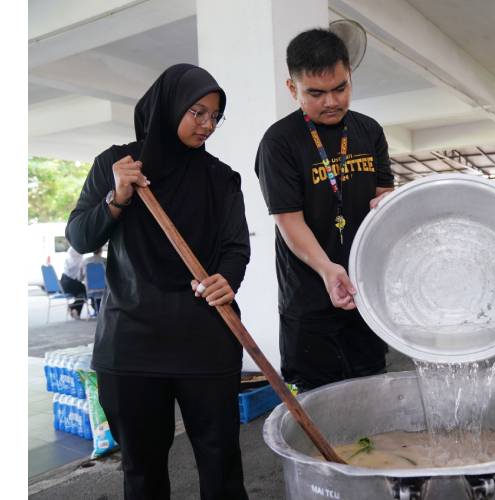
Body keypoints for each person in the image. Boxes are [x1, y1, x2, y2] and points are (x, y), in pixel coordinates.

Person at [66, 63, 250, 500]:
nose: (207, 124)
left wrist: (228, 279)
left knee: (221, 467)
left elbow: (235, 247)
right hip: (132, 344)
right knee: (143, 474)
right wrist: (116, 199)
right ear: (169, 106)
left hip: (205, 339)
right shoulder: (117, 165)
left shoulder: (221, 179)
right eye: (197, 112)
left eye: (214, 116)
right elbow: (79, 235)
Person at [255, 28, 394, 393]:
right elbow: (288, 219)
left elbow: (383, 195)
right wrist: (328, 270)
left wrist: (391, 207)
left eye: (340, 88)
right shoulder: (279, 142)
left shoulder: (369, 131)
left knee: (371, 396)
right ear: (292, 89)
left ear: (349, 76)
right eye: (315, 93)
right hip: (309, 302)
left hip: (365, 296)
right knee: (320, 408)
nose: (331, 101)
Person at [60, 245, 86, 319]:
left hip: (63, 284)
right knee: (86, 291)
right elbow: (80, 278)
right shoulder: (80, 261)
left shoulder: (67, 259)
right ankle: (73, 308)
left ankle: (75, 310)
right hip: (71, 284)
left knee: (81, 293)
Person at [81, 248, 107, 314]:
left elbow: (80, 277)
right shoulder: (104, 261)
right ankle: (100, 310)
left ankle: (96, 310)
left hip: (90, 290)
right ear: (101, 251)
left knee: (94, 293)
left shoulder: (85, 261)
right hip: (103, 289)